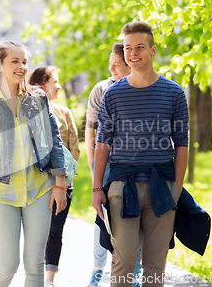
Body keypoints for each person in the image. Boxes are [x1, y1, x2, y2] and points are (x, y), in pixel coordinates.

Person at [91, 22, 189, 287]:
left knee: (155, 266)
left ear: (153, 50)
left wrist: (177, 188)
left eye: (139, 48)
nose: (132, 54)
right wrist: (97, 187)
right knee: (123, 261)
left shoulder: (174, 93)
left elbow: (182, 144)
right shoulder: (112, 94)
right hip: (122, 187)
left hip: (163, 187)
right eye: (128, 48)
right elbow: (103, 143)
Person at [0, 40, 68, 287]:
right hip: (2, 193)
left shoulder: (38, 99)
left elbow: (54, 141)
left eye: (24, 61)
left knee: (35, 266)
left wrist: (60, 185)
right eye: (15, 61)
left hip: (40, 189)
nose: (22, 67)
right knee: (7, 266)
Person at [85, 43, 136, 286]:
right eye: (110, 65)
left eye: (116, 65)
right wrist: (94, 165)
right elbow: (90, 129)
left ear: (130, 64)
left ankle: (133, 274)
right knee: (103, 219)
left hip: (133, 167)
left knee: (133, 219)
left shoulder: (142, 88)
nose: (112, 69)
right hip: (105, 166)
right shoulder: (102, 89)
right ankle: (97, 271)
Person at [28, 66, 80, 287]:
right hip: (38, 185)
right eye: (55, 82)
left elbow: (74, 149)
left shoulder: (64, 113)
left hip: (63, 183)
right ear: (41, 85)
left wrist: (65, 180)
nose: (59, 86)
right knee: (37, 233)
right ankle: (34, 276)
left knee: (56, 232)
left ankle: (49, 280)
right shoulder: (27, 112)